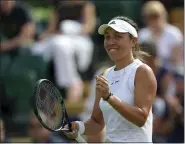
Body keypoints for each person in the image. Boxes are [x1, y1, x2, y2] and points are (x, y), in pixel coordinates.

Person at [64, 16, 157, 142]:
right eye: (107, 37)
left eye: (118, 36)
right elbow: (97, 122)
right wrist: (79, 127)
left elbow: (141, 118)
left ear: (133, 41)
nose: (110, 42)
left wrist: (109, 97)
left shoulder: (142, 71)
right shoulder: (104, 75)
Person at [139, 1, 183, 73]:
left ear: (163, 15)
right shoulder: (143, 34)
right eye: (150, 17)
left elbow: (176, 61)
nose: (154, 20)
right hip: (149, 72)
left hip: (170, 73)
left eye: (156, 16)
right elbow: (141, 59)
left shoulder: (174, 33)